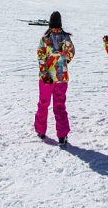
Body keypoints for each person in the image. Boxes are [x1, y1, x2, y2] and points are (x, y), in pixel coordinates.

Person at [35, 11, 74, 146]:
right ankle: (62, 135)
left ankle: (41, 130)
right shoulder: (66, 38)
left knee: (43, 103)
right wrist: (63, 62)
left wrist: (44, 72)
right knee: (60, 105)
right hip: (61, 76)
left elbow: (40, 57)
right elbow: (71, 53)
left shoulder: (45, 39)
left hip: (47, 77)